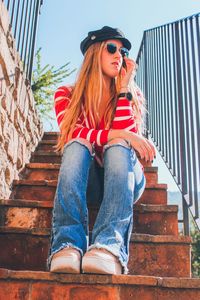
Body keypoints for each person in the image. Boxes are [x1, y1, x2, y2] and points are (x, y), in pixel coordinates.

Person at [48, 26, 156, 275]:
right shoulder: (67, 95)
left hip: (125, 178)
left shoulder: (131, 94)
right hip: (91, 181)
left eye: (123, 51)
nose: (119, 55)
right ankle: (67, 244)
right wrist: (121, 134)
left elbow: (127, 143)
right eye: (111, 48)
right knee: (76, 145)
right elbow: (72, 134)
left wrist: (123, 89)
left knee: (118, 146)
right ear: (94, 53)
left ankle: (109, 248)